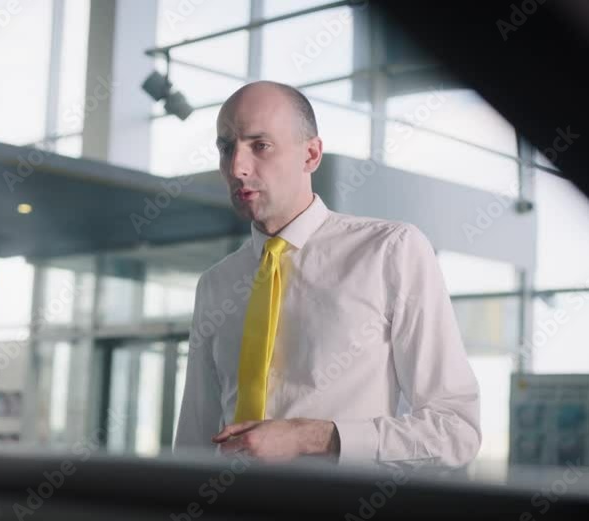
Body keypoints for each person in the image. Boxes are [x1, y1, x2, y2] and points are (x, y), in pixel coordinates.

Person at [174, 81, 481, 469]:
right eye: (226, 147)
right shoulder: (216, 284)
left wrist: (314, 436)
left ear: (312, 155)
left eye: (260, 145)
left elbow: (456, 431)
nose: (237, 167)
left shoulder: (391, 251)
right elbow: (193, 443)